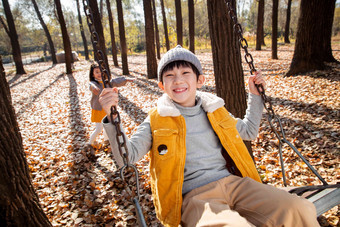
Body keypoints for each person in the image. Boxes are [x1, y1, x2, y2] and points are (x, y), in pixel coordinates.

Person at [99, 46, 319, 227]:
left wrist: (255, 95)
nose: (178, 80)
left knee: (299, 209)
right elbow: (127, 158)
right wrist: (112, 118)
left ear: (200, 80)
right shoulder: (157, 120)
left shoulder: (215, 110)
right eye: (170, 76)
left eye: (185, 73)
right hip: (196, 198)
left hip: (237, 185)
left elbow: (249, 131)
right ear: (161, 86)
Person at [88, 63, 132, 147]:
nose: (99, 74)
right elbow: (91, 85)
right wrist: (94, 88)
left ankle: (106, 141)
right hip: (98, 109)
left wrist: (126, 79)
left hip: (106, 108)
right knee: (98, 128)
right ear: (93, 75)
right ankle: (90, 143)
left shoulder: (107, 82)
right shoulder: (94, 83)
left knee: (107, 126)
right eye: (97, 72)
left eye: (101, 71)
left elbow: (116, 81)